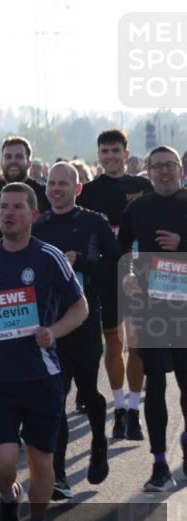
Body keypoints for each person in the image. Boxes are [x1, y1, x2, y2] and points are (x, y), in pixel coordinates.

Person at [0, 183, 88, 521]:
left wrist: (53, 332)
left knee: (41, 463)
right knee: (0, 465)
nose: (8, 213)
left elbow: (80, 308)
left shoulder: (49, 257)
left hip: (41, 378)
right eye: (4, 206)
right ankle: (8, 498)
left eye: (17, 207)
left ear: (33, 215)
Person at [32, 162, 121, 498]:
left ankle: (99, 443)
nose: (56, 189)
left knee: (89, 391)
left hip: (84, 320)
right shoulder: (39, 226)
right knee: (55, 397)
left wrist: (81, 263)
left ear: (77, 188)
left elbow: (117, 266)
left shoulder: (93, 222)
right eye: (51, 184)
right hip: (49, 324)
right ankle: (58, 474)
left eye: (63, 184)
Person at [117, 146, 187, 492]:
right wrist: (127, 274)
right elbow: (121, 248)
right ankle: (159, 464)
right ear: (148, 171)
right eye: (156, 166)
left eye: (169, 165)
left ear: (180, 169)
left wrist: (183, 242)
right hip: (152, 310)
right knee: (155, 384)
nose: (163, 171)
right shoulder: (139, 208)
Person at [76, 128, 153, 440]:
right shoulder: (88, 192)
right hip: (104, 277)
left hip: (138, 276)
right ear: (98, 156)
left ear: (126, 153)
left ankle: (134, 410)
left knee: (137, 343)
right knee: (114, 344)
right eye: (104, 152)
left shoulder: (142, 187)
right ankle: (119, 407)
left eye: (115, 151)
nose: (110, 157)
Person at [0, 136, 51, 251]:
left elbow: (50, 235)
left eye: (19, 157)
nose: (13, 161)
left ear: (29, 163)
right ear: (1, 162)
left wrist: (0, 237)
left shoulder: (44, 194)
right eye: (8, 157)